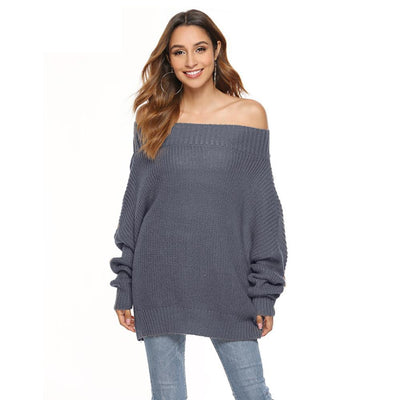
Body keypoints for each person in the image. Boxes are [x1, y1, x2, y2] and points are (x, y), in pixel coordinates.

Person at [109, 9, 288, 400]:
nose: (191, 61)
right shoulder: (151, 117)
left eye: (200, 49)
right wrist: (125, 282)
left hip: (227, 278)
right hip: (158, 276)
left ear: (217, 50)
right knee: (167, 394)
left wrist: (265, 290)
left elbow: (264, 210)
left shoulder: (249, 116)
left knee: (252, 391)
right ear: (168, 59)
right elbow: (136, 204)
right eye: (179, 52)